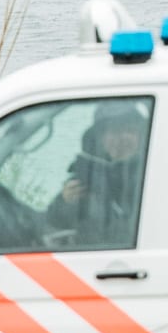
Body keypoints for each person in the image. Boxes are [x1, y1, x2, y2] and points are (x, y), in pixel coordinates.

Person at [50, 102, 151, 250]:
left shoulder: (158, 173)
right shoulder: (89, 175)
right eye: (112, 132)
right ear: (101, 139)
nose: (121, 138)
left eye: (128, 130)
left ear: (141, 135)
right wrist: (65, 201)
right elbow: (53, 223)